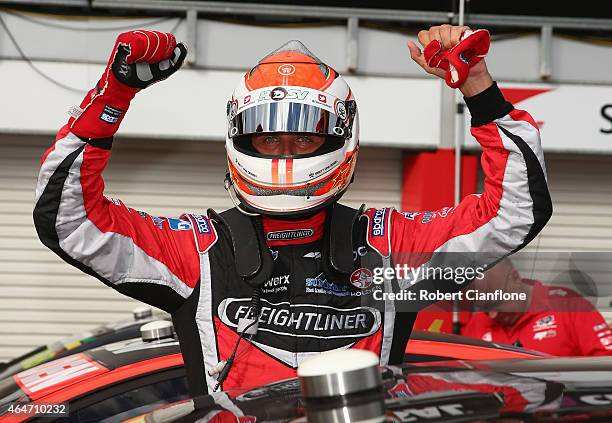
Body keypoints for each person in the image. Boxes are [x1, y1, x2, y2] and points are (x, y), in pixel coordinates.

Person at [33, 25, 552, 395]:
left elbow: (514, 210)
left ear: (339, 136)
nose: (283, 152)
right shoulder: (196, 248)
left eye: (304, 138)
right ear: (240, 136)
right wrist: (112, 97)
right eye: (267, 136)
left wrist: (479, 88)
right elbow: (69, 220)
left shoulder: (390, 246)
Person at [462, 258, 612, 356]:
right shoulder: (478, 323)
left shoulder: (569, 305)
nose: (493, 315)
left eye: (499, 302)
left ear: (515, 279)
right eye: (487, 309)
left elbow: (606, 362)